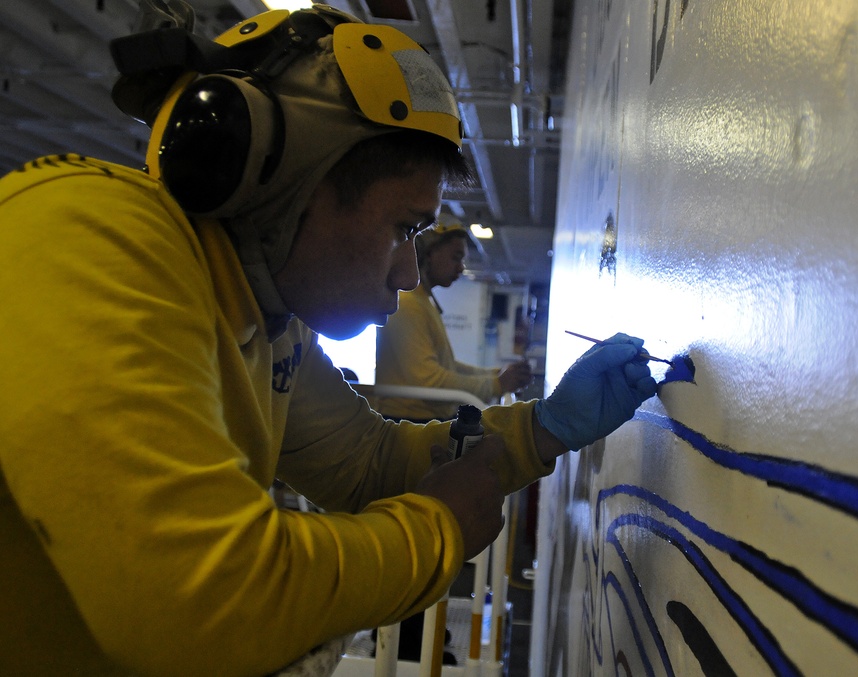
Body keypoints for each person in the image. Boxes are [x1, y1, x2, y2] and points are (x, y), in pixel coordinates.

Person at [0, 5, 658, 677]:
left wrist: (543, 429)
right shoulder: (87, 236)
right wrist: (437, 531)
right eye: (404, 227)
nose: (408, 274)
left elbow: (368, 464)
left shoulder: (263, 319)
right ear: (281, 181)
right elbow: (201, 602)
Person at [375, 217, 533, 422]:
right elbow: (429, 381)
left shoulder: (423, 301)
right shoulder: (409, 304)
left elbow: (448, 366)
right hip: (408, 421)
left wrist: (497, 375)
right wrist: (497, 384)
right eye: (456, 257)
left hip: (419, 420)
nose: (461, 268)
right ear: (430, 253)